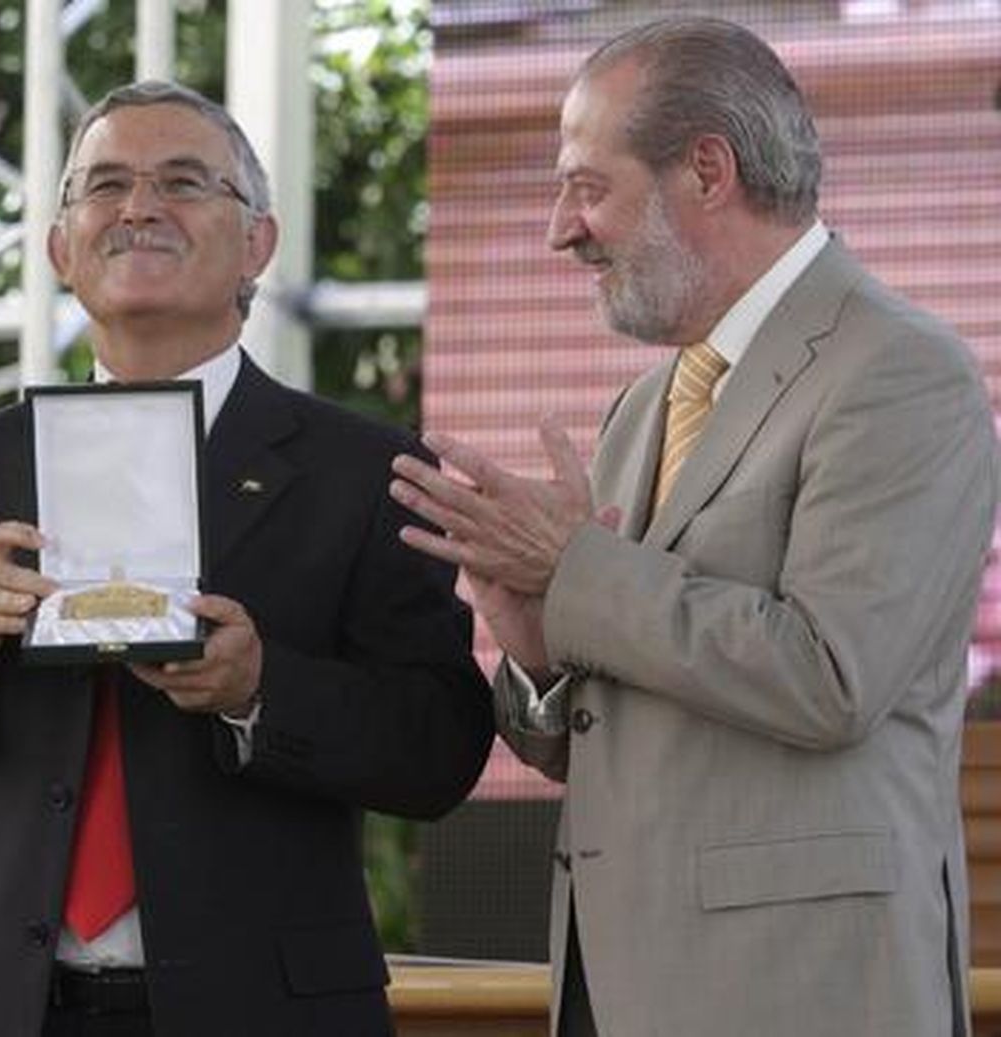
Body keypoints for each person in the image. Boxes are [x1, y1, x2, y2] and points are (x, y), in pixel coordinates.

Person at [0, 80, 495, 1037]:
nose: (138, 207)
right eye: (105, 185)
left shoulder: (365, 470)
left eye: (183, 182)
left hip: (265, 1010)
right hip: (8, 1009)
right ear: (61, 248)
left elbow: (439, 749)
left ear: (258, 243)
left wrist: (262, 688)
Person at [390, 15, 997, 1037]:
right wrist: (537, 647)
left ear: (707, 172)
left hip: (799, 991)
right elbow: (611, 737)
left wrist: (575, 570)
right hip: (614, 980)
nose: (561, 231)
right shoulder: (646, 405)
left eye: (587, 187)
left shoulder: (901, 370)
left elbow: (830, 675)